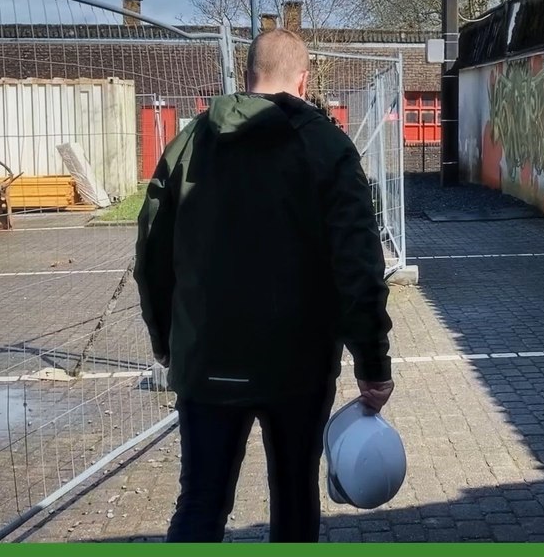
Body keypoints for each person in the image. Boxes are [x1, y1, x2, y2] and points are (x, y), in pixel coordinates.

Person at [134, 28, 395, 543]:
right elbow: (358, 263)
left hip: (205, 359)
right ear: (304, 79)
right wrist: (373, 365)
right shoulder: (326, 146)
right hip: (297, 366)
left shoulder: (189, 142)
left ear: (248, 73)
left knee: (201, 499)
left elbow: (152, 252)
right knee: (296, 496)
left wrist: (167, 341)